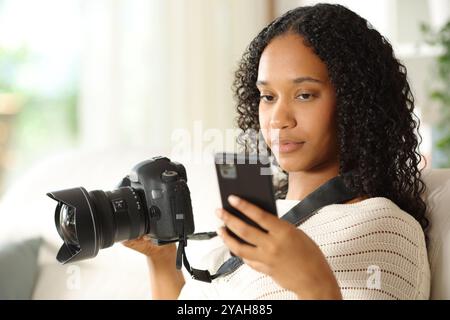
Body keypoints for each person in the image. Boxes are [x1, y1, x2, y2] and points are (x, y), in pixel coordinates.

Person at [123, 3, 430, 300]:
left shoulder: (385, 227)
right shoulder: (247, 226)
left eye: (305, 94)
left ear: (355, 102)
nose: (279, 120)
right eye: (268, 96)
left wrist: (315, 284)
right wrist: (161, 259)